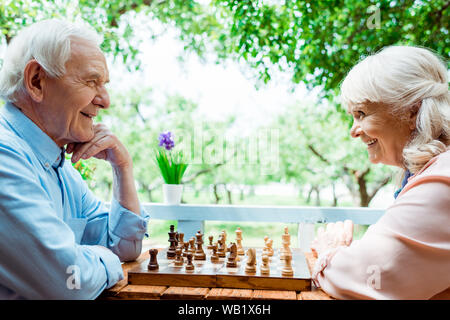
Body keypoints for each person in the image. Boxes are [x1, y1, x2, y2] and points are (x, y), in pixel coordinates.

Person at [0, 19, 150, 299]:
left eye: (104, 85)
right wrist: (102, 257)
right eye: (91, 81)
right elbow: (68, 283)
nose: (105, 100)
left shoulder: (56, 164)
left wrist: (122, 168)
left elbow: (124, 246)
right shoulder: (5, 157)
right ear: (36, 81)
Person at [310, 45, 449, 299]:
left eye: (361, 114)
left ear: (412, 111)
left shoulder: (443, 181)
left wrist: (330, 253)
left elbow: (367, 277)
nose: (353, 130)